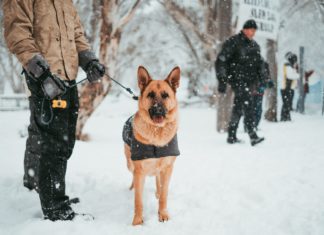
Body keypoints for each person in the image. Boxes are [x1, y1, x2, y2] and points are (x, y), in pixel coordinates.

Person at [3, 0, 105, 221]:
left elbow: (76, 34)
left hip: (67, 77)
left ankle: (36, 182)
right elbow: (17, 30)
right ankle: (55, 207)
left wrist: (89, 60)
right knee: (54, 141)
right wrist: (38, 70)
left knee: (60, 137)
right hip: (43, 77)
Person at [215, 19, 265, 146]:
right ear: (244, 29)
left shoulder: (255, 46)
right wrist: (222, 80)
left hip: (250, 81)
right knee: (248, 104)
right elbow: (221, 61)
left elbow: (260, 64)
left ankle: (231, 136)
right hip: (237, 79)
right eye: (250, 30)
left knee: (238, 107)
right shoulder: (234, 42)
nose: (252, 33)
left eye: (254, 31)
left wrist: (265, 79)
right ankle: (252, 135)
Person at [251, 59, 274, 130]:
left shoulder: (264, 64)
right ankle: (251, 126)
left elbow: (267, 76)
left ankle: (254, 125)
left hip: (259, 90)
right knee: (253, 109)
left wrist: (269, 82)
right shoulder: (250, 63)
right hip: (253, 90)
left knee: (258, 109)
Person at [280, 52, 299, 121]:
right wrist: (298, 75)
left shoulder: (288, 65)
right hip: (286, 87)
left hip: (288, 87)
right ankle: (284, 117)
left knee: (287, 103)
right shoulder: (287, 65)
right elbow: (290, 76)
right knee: (286, 103)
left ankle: (286, 117)